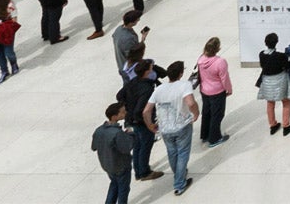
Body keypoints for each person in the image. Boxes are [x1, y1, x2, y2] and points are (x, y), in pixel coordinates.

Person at [149, 58, 199, 195]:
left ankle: (179, 174)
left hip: (165, 128)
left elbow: (146, 110)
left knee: (172, 153)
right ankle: (179, 184)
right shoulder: (184, 85)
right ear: (181, 74)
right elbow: (190, 103)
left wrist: (150, 125)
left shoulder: (159, 89)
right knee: (182, 153)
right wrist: (196, 113)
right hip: (182, 126)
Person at [94, 101, 137, 204]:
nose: (125, 113)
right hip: (121, 166)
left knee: (114, 184)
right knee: (123, 190)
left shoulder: (99, 130)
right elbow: (127, 147)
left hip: (107, 165)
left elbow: (94, 146)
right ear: (114, 116)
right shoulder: (117, 133)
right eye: (122, 112)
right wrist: (130, 134)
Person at [196, 36, 232, 146]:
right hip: (217, 92)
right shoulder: (220, 62)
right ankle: (214, 138)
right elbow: (224, 78)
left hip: (204, 90)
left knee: (206, 113)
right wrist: (229, 89)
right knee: (217, 115)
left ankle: (205, 135)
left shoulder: (200, 59)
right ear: (218, 49)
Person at [258, 31, 290, 133]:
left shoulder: (261, 54)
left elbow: (262, 66)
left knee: (270, 103)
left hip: (267, 81)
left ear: (265, 43)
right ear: (276, 42)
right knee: (286, 102)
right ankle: (286, 125)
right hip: (280, 80)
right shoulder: (281, 56)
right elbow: (288, 66)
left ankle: (273, 124)